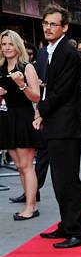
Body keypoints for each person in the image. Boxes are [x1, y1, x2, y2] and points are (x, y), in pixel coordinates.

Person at [34, 4, 81, 249]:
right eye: (45, 23)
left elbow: (61, 91)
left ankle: (78, 231)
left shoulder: (68, 52)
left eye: (53, 24)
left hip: (66, 126)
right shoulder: (51, 50)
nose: (48, 28)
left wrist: (40, 112)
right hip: (58, 124)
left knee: (67, 180)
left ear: (64, 27)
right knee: (59, 179)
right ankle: (67, 225)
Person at [0, 30, 42, 220]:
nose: (7, 47)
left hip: (24, 117)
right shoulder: (0, 67)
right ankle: (29, 204)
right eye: (3, 44)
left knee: (26, 165)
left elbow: (36, 96)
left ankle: (31, 207)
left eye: (10, 44)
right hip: (7, 118)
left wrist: (21, 84)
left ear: (18, 46)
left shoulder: (27, 67)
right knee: (18, 165)